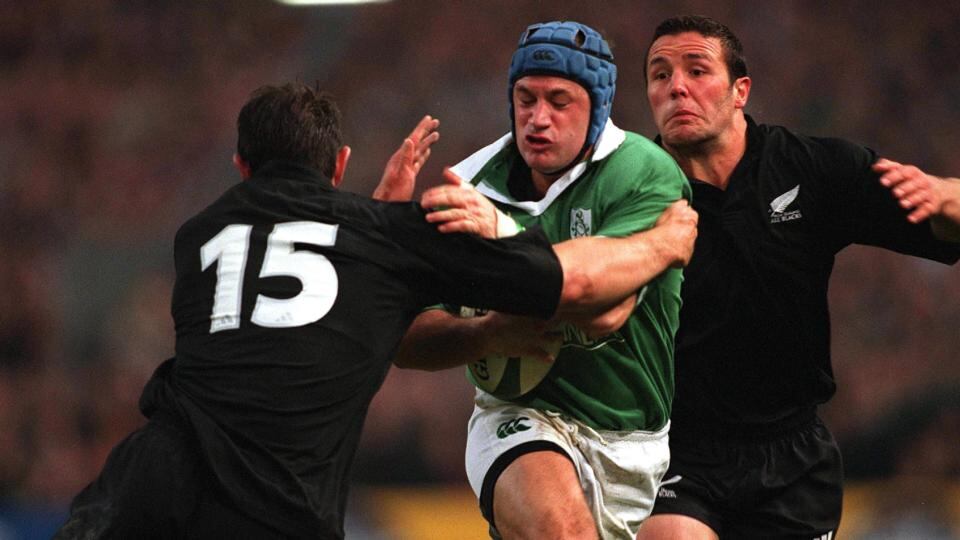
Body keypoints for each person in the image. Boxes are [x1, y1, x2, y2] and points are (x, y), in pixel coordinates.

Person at [53, 83, 697, 539]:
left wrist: (384, 223)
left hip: (148, 481)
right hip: (276, 505)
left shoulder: (195, 235)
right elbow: (560, 286)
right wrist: (663, 242)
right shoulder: (375, 235)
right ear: (340, 166)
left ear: (240, 166)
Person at [635, 15, 960, 540]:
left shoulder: (810, 169)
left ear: (740, 90)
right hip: (679, 451)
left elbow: (943, 216)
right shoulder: (633, 190)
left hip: (791, 459)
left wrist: (948, 194)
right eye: (660, 74)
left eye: (696, 70)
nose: (676, 86)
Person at [388, 21, 692, 539]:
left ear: (597, 107)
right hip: (520, 418)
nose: (537, 119)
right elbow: (406, 339)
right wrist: (484, 334)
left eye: (559, 101)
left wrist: (503, 240)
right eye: (525, 99)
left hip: (636, 442)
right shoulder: (470, 187)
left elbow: (603, 313)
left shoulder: (644, 172)